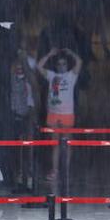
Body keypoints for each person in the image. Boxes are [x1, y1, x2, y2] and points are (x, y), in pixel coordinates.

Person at [38, 47, 82, 195]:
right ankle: (55, 170)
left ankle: (66, 171)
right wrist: (49, 54)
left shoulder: (71, 76)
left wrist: (71, 53)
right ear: (56, 66)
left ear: (67, 65)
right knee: (55, 144)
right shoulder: (51, 75)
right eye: (59, 64)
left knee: (67, 143)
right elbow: (39, 66)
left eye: (64, 64)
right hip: (53, 114)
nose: (61, 66)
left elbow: (79, 62)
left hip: (67, 114)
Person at [6, 46, 40, 193]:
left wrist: (24, 60)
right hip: (16, 112)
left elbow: (34, 85)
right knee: (18, 149)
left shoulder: (31, 69)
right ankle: (20, 180)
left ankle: (31, 180)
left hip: (29, 112)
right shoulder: (12, 72)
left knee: (29, 148)